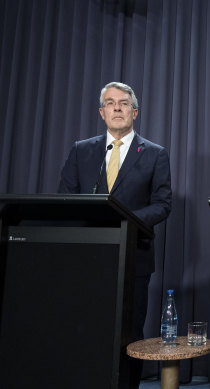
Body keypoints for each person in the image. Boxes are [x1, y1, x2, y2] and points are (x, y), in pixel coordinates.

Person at [58, 81, 172, 387]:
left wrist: (125, 219)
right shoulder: (82, 150)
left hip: (133, 257)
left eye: (123, 103)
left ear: (135, 112)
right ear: (101, 112)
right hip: (88, 257)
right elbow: (65, 199)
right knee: (85, 329)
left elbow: (162, 204)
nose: (117, 107)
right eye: (110, 103)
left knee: (129, 333)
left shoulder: (154, 154)